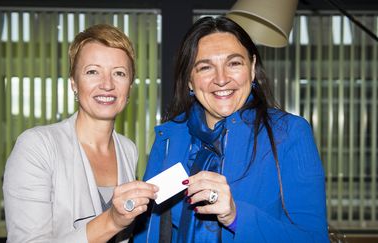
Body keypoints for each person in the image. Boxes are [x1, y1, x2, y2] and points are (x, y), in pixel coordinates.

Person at [134, 16, 329, 242]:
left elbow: (313, 238)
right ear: (189, 80)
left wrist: (236, 216)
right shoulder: (168, 138)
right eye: (206, 67)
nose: (221, 79)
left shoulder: (289, 133)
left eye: (234, 63)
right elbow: (148, 233)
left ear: (252, 68)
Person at [3, 24, 158, 243]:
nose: (107, 84)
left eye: (119, 73)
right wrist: (111, 221)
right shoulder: (36, 146)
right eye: (92, 71)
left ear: (130, 87)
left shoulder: (127, 149)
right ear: (74, 83)